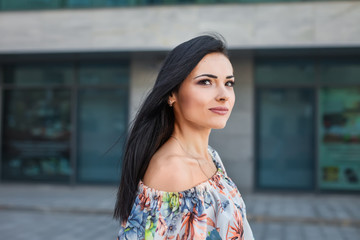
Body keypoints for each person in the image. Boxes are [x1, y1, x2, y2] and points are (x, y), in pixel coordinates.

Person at [114, 34, 254, 240]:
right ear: (172, 94)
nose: (224, 94)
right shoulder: (172, 170)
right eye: (206, 82)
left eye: (229, 83)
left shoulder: (211, 156)